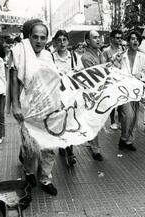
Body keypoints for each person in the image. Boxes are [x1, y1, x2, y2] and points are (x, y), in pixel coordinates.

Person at [9, 19, 58, 196]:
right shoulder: (19, 52)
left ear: (47, 39)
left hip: (47, 106)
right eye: (35, 37)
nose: (39, 41)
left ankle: (45, 177)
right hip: (27, 106)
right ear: (29, 37)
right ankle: (29, 171)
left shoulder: (48, 56)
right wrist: (15, 105)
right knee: (30, 146)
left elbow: (53, 80)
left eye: (42, 38)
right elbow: (14, 80)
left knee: (49, 145)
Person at [52, 30, 82, 167]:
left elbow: (81, 74)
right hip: (57, 97)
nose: (62, 42)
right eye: (59, 40)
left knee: (70, 123)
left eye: (64, 39)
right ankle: (63, 146)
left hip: (70, 96)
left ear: (68, 42)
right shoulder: (51, 58)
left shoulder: (74, 57)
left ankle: (70, 152)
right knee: (60, 123)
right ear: (55, 42)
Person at [117, 30, 145, 152]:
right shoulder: (120, 56)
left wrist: (140, 75)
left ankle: (130, 141)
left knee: (134, 117)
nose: (135, 41)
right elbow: (115, 71)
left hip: (136, 89)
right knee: (126, 115)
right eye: (132, 38)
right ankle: (123, 137)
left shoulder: (143, 56)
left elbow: (144, 72)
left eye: (137, 39)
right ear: (128, 41)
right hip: (123, 90)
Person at [81, 30, 105, 161]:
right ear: (88, 41)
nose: (98, 39)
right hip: (91, 94)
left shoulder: (100, 53)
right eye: (95, 38)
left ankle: (93, 143)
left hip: (101, 94)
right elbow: (96, 75)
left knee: (97, 121)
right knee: (94, 121)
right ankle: (96, 150)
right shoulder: (86, 57)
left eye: (98, 37)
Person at [103, 29, 124, 131]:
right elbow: (104, 65)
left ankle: (120, 121)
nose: (120, 39)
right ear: (112, 39)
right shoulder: (106, 51)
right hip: (111, 79)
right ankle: (112, 121)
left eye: (121, 37)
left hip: (121, 78)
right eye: (117, 37)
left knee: (121, 101)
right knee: (112, 102)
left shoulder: (123, 49)